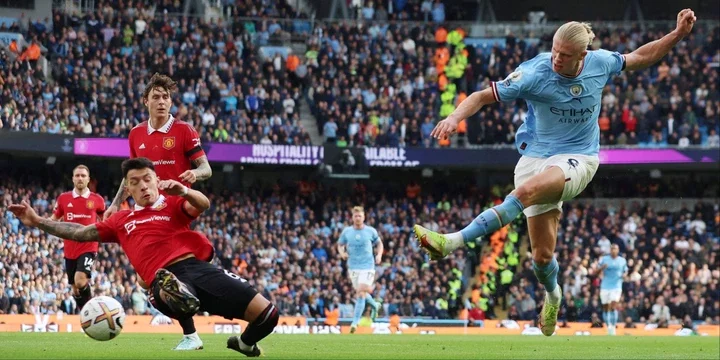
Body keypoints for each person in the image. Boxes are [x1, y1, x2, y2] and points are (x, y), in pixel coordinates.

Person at [413, 9, 696, 336]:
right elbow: (481, 96)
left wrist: (677, 35)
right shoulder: (533, 72)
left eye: (564, 54)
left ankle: (451, 241)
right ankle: (553, 294)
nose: (556, 58)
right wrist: (453, 118)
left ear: (582, 55)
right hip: (534, 157)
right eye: (554, 50)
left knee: (524, 193)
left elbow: (641, 56)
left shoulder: (600, 63)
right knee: (542, 258)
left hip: (579, 158)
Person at [9, 158, 276, 357]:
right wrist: (37, 221)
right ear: (129, 190)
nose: (143, 186)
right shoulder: (121, 220)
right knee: (162, 283)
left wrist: (184, 191)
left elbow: (202, 204)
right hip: (163, 279)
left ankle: (244, 344)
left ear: (156, 180)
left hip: (199, 268)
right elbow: (80, 232)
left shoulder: (172, 203)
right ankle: (182, 311)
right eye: (135, 183)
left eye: (147, 179)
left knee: (269, 315)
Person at [103, 73, 212, 350]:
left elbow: (206, 168)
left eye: (166, 97)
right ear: (145, 101)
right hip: (144, 210)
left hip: (175, 210)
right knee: (145, 278)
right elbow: (130, 175)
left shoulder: (185, 130)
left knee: (160, 273)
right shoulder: (136, 134)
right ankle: (191, 318)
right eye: (156, 97)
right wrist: (116, 203)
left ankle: (191, 331)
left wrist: (193, 175)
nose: (162, 102)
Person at [50, 165, 106, 311]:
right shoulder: (63, 198)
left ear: (88, 179)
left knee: (80, 281)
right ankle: (85, 313)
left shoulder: (97, 200)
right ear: (73, 179)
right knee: (75, 289)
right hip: (69, 249)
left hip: (88, 246)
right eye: (77, 175)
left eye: (83, 176)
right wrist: (38, 222)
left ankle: (92, 310)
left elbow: (106, 220)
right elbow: (53, 220)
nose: (80, 178)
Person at [338, 206, 383, 333]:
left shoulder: (371, 231)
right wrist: (342, 253)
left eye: (360, 216)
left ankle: (355, 322)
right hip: (353, 266)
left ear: (364, 217)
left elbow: (379, 243)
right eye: (355, 216)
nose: (358, 218)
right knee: (361, 293)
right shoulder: (347, 232)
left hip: (367, 266)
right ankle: (374, 304)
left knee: (361, 292)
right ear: (352, 217)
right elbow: (340, 245)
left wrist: (379, 255)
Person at [594, 244, 628, 336]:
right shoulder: (604, 259)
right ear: (610, 250)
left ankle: (613, 326)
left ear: (618, 250)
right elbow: (595, 272)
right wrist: (601, 268)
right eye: (612, 249)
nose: (613, 250)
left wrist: (624, 275)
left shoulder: (622, 260)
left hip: (616, 286)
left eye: (615, 249)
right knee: (606, 308)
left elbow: (625, 271)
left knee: (613, 306)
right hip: (605, 286)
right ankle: (609, 326)